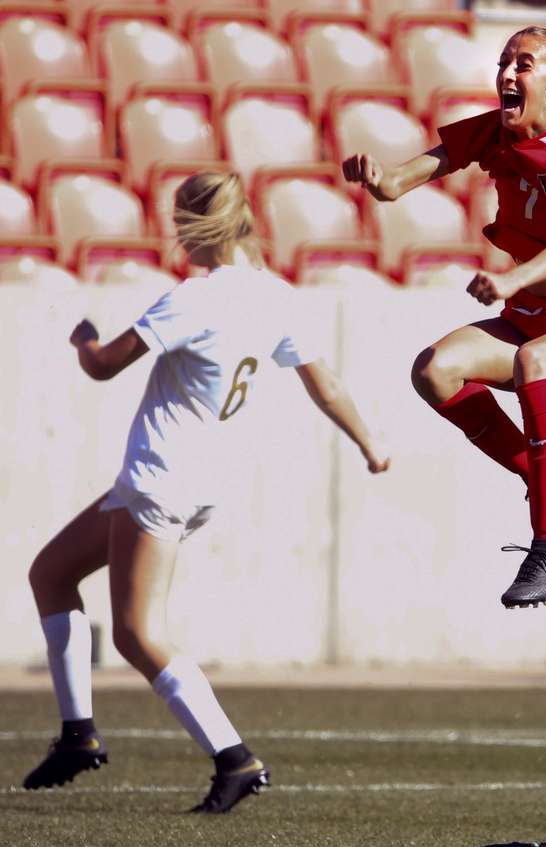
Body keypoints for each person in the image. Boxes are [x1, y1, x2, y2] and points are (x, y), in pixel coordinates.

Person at [22, 171, 390, 813]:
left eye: (178, 223)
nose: (175, 237)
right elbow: (324, 384)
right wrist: (369, 443)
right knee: (51, 573)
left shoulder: (194, 299)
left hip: (161, 478)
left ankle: (234, 757)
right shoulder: (274, 296)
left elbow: (105, 364)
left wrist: (81, 336)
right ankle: (78, 734)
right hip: (195, 480)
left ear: (199, 227)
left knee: (138, 633)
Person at [342, 26, 546, 609]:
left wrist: (510, 279)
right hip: (533, 314)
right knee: (434, 370)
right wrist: (379, 180)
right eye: (505, 62)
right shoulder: (493, 130)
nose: (508, 74)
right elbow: (402, 181)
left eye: (523, 65)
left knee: (537, 360)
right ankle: (543, 482)